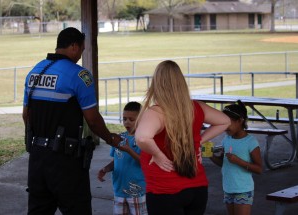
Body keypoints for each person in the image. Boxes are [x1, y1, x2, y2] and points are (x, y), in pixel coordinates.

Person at [22, 27, 121, 215]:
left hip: (37, 160)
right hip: (66, 162)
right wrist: (110, 138)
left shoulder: (35, 72)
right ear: (74, 46)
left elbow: (26, 116)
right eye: (82, 50)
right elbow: (92, 120)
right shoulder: (79, 75)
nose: (81, 55)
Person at [135, 60, 231, 215]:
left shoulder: (156, 112)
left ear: (157, 83)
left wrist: (158, 155)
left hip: (165, 191)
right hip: (197, 188)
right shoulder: (196, 107)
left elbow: (142, 138)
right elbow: (224, 121)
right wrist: (199, 141)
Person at [210, 100, 262, 215]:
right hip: (228, 188)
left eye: (228, 123)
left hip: (243, 189)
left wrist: (238, 161)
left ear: (240, 121)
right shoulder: (226, 140)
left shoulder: (250, 142)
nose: (225, 127)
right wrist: (210, 156)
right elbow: (222, 163)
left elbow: (259, 169)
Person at [97, 101, 147, 215]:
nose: (127, 122)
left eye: (131, 119)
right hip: (119, 191)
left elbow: (144, 162)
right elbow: (117, 160)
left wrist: (129, 150)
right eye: (124, 119)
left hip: (137, 192)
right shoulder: (119, 138)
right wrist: (106, 169)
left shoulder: (142, 139)